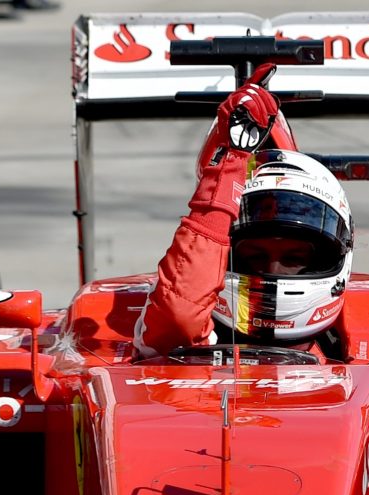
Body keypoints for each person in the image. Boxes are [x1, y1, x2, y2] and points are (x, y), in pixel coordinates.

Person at [133, 64, 354, 361]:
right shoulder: (186, 347)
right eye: (254, 257)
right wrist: (228, 167)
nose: (273, 271)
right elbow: (180, 312)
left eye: (294, 259)